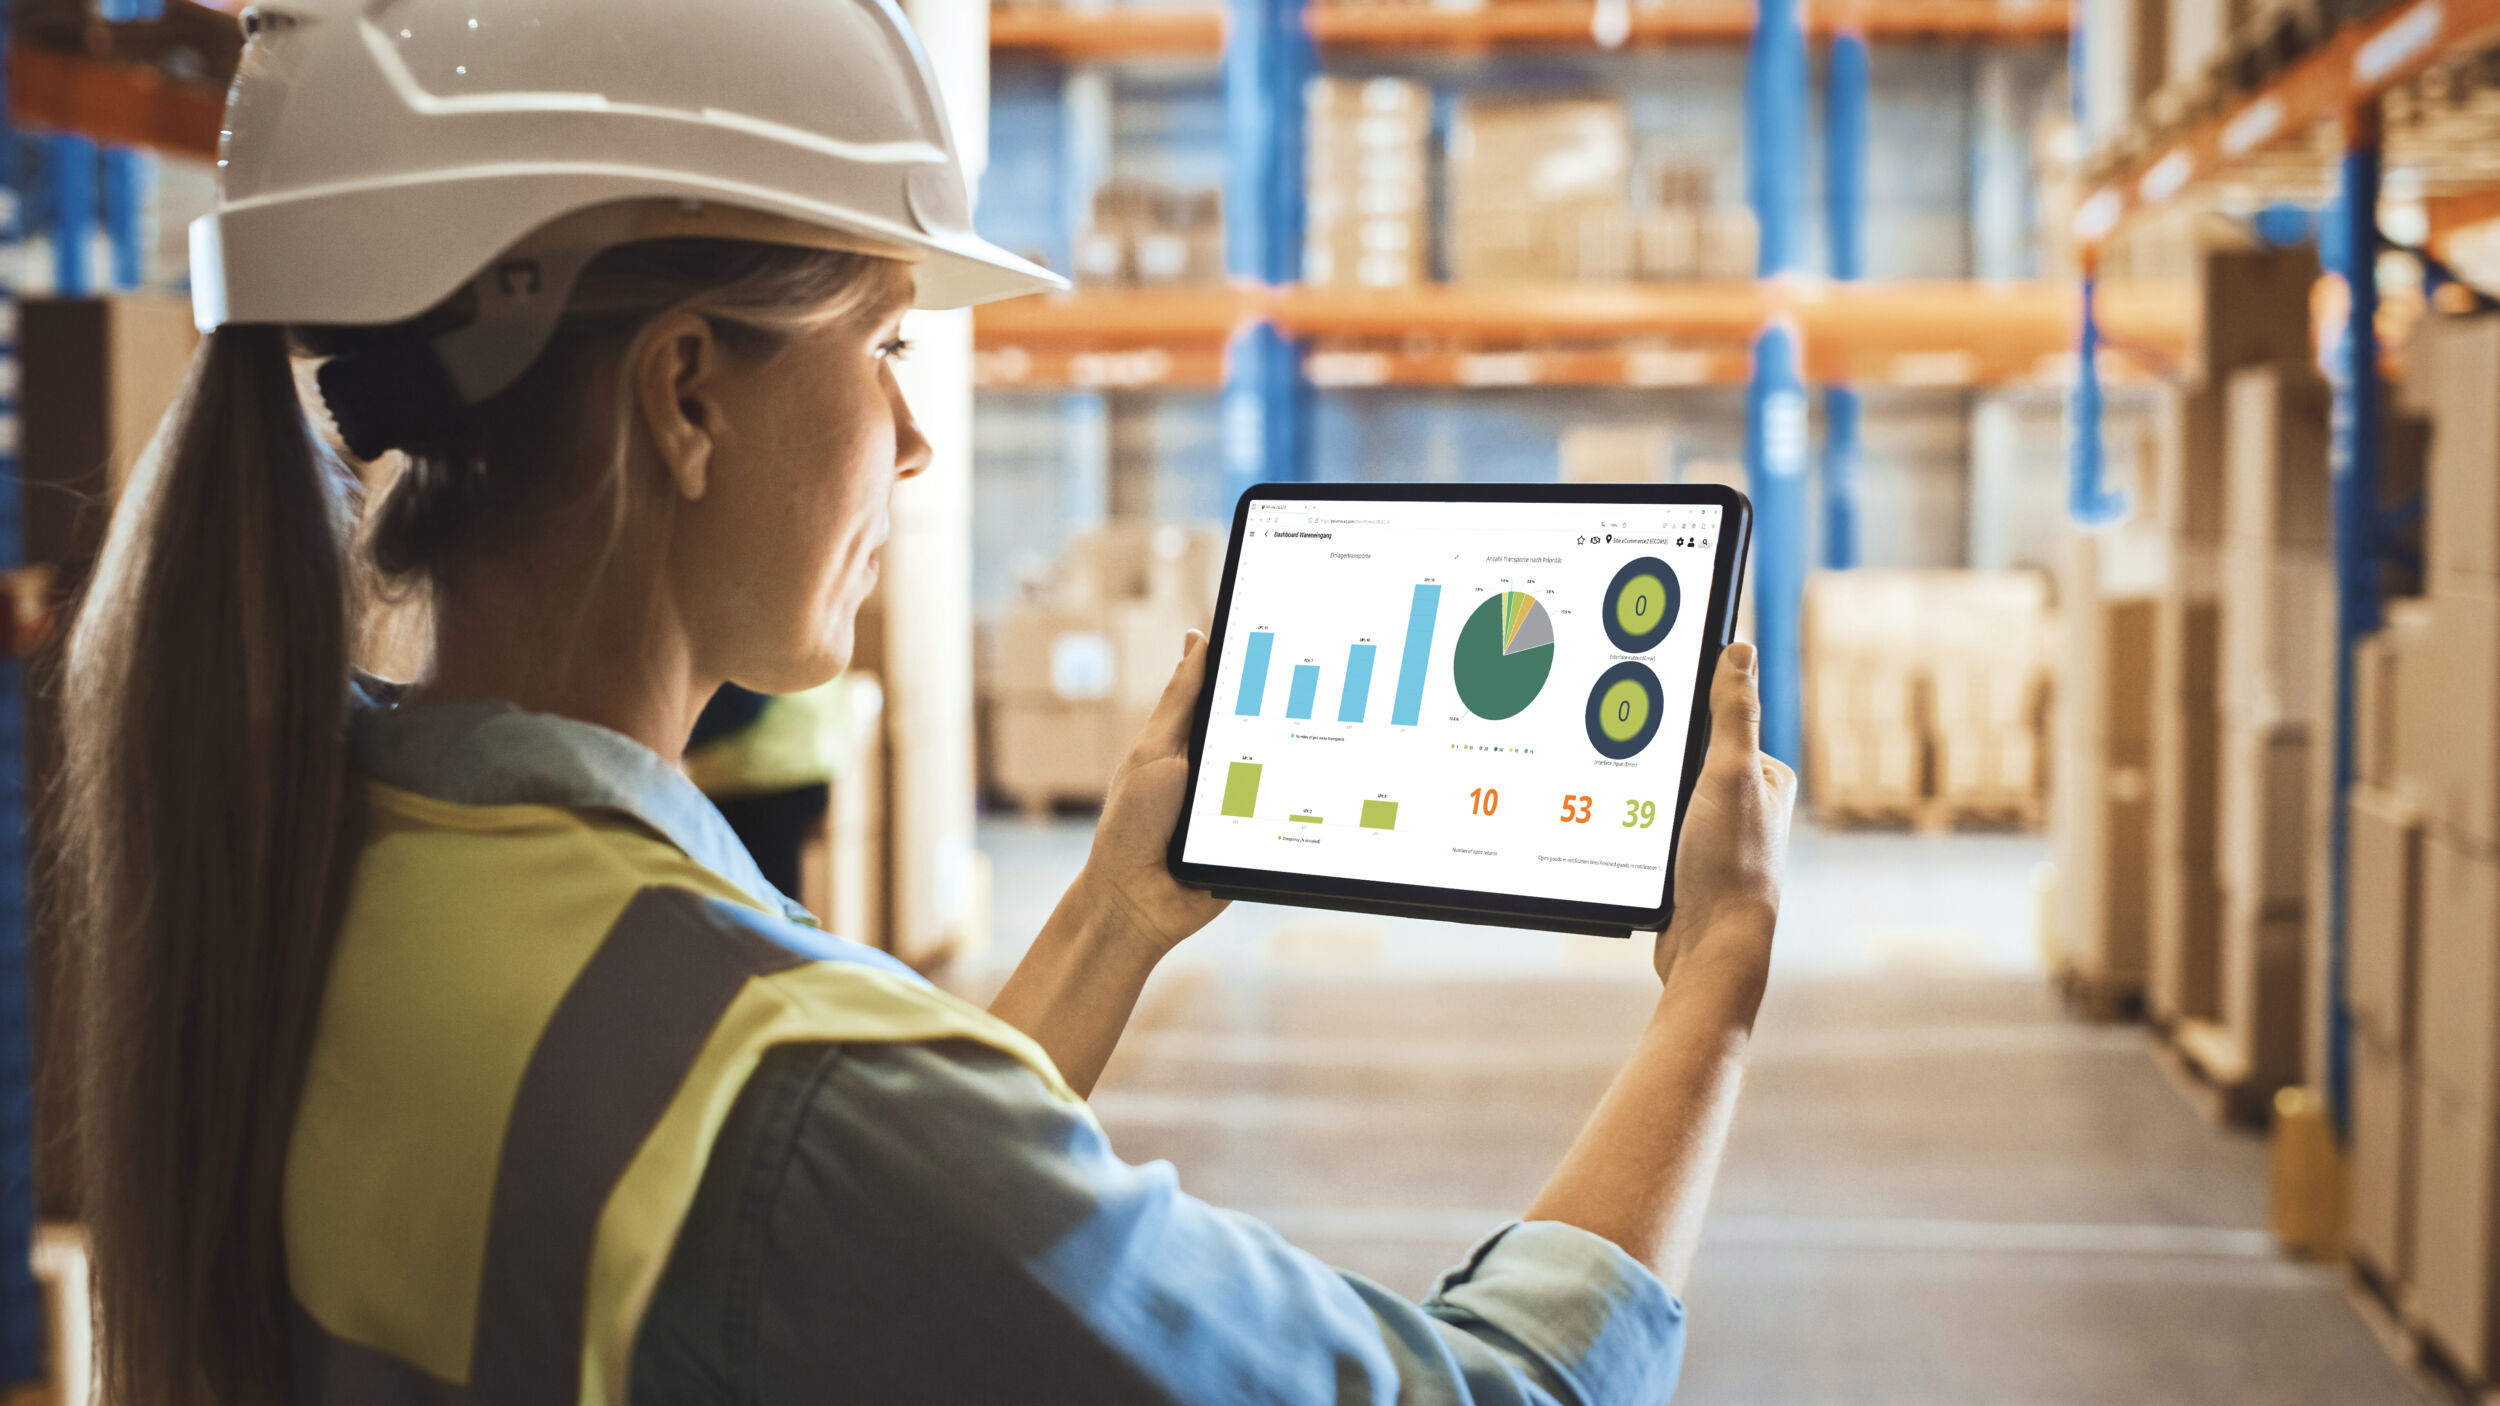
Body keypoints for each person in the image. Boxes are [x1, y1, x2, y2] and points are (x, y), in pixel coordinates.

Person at [56, 1, 1798, 1402]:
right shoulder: (766, 1083)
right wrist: (1712, 985)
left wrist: (1115, 915)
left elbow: (792, 1253)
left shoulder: (313, 849)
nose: (915, 434)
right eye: (885, 340)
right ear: (686, 398)